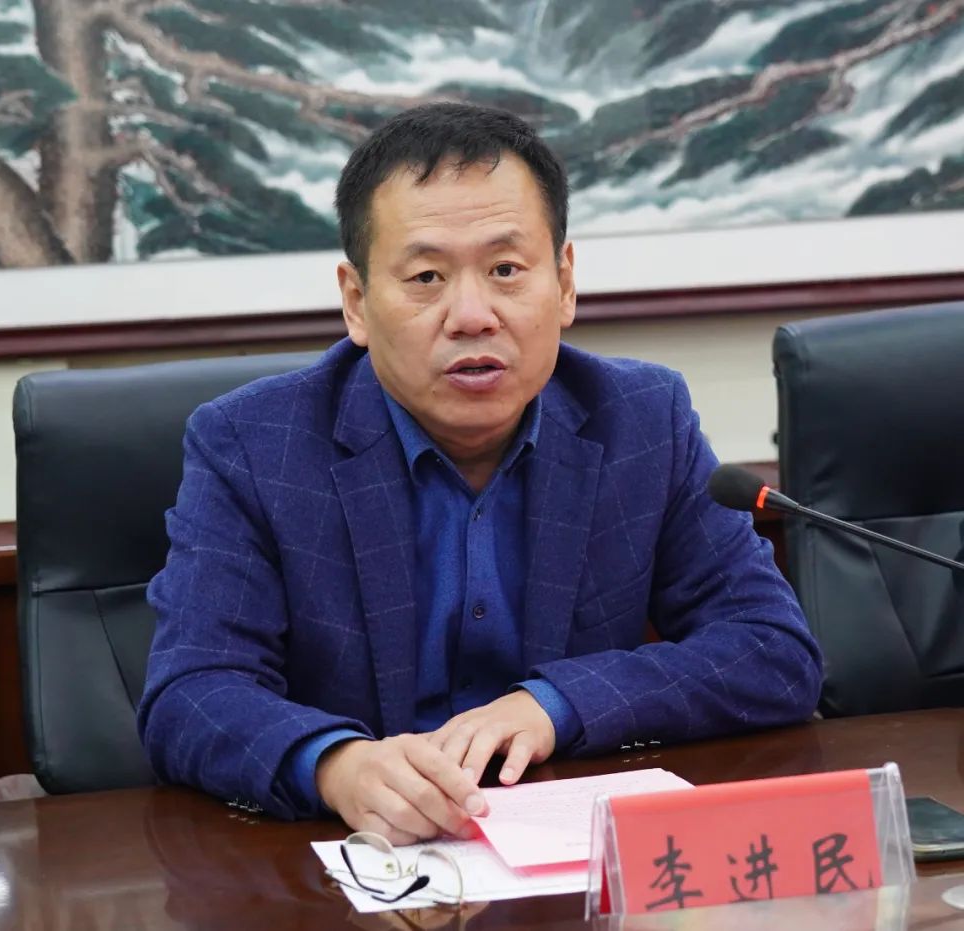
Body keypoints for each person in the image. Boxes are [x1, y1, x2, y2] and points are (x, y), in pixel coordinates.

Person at [138, 102, 822, 845]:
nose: (472, 315)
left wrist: (557, 705)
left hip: (566, 850)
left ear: (564, 283)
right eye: (427, 276)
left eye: (505, 270)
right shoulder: (252, 445)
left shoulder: (642, 420)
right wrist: (336, 764)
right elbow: (190, 693)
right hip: (355, 864)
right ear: (357, 302)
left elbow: (772, 650)